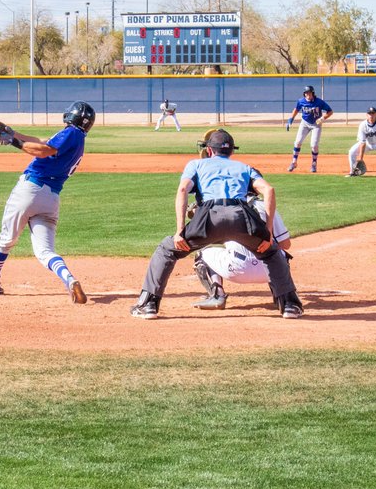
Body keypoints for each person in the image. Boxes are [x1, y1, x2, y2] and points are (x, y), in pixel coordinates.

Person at [130, 128, 304, 319]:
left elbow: (182, 190)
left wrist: (180, 230)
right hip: (241, 216)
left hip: (209, 217)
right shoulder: (244, 167)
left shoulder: (196, 164)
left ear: (210, 150)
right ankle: (290, 306)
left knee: (167, 249)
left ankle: (148, 306)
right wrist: (267, 232)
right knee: (271, 252)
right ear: (232, 152)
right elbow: (268, 190)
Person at [0, 101, 95, 304]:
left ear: (72, 116)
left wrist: (13, 142)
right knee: (45, 252)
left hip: (29, 190)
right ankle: (69, 279)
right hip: (50, 198)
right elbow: (41, 142)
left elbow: (43, 150)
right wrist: (14, 133)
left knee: (6, 238)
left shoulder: (71, 133)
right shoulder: (77, 140)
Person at [191, 190, 293, 310]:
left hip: (235, 270)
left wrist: (198, 214)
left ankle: (217, 295)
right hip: (270, 271)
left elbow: (206, 237)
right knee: (281, 254)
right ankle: (281, 296)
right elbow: (285, 244)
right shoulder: (266, 206)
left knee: (202, 253)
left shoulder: (223, 207)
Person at [285, 85, 333, 173]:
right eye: (306, 93)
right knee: (298, 142)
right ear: (304, 94)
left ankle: (314, 164)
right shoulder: (301, 101)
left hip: (316, 124)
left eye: (309, 93)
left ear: (313, 93)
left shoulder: (319, 102)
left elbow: (330, 111)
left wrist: (322, 119)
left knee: (314, 145)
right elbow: (296, 110)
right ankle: (294, 162)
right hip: (304, 123)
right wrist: (290, 120)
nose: (308, 95)